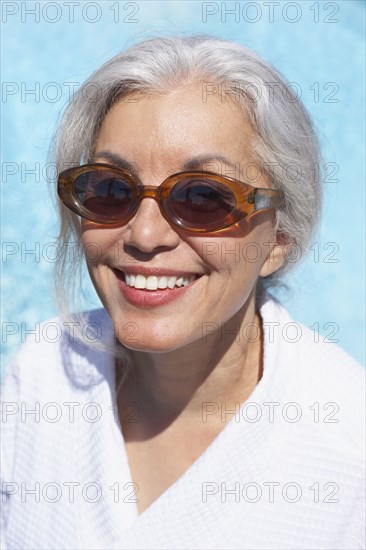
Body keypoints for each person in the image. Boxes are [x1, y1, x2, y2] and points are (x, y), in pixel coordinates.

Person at [1, 35, 364, 550]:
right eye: (111, 189)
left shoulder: (348, 452)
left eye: (203, 197)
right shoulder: (43, 375)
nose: (145, 236)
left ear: (279, 240)